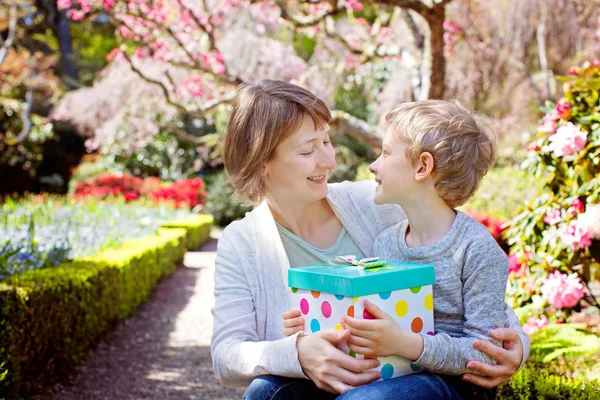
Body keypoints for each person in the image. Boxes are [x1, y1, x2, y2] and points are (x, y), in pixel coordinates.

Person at [211, 80, 530, 399]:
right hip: (356, 378)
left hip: (407, 377)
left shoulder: (377, 204)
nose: (329, 161)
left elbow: (481, 304)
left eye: (326, 141)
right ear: (262, 162)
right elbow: (227, 355)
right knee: (265, 393)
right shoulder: (242, 243)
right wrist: (298, 348)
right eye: (308, 150)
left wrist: (517, 346)